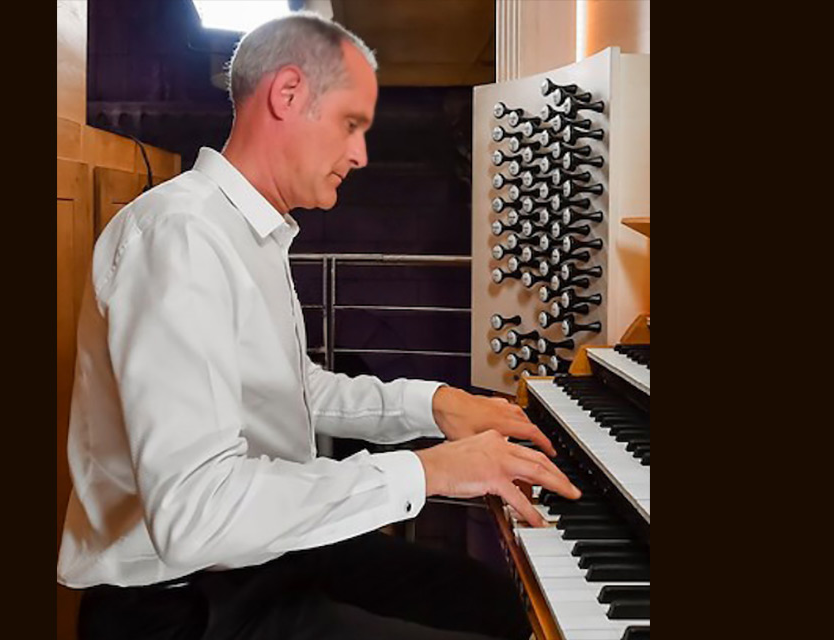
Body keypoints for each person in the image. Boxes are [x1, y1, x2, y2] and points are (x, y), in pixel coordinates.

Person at [58, 12, 580, 640]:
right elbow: (196, 512)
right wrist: (433, 470)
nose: (361, 154)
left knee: (493, 604)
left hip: (260, 559)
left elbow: (295, 389)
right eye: (351, 124)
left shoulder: (248, 232)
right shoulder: (179, 236)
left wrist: (436, 407)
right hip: (178, 605)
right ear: (287, 95)